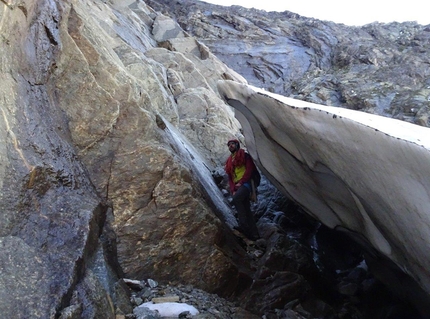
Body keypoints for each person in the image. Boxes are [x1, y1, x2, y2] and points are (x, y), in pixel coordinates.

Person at [224, 139, 260, 241]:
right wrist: (233, 189)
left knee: (236, 199)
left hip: (246, 184)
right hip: (237, 186)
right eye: (229, 145)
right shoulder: (229, 161)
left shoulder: (245, 155)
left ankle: (243, 226)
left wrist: (242, 182)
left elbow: (249, 169)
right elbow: (230, 177)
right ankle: (255, 234)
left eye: (233, 144)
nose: (231, 146)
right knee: (246, 209)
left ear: (237, 145)